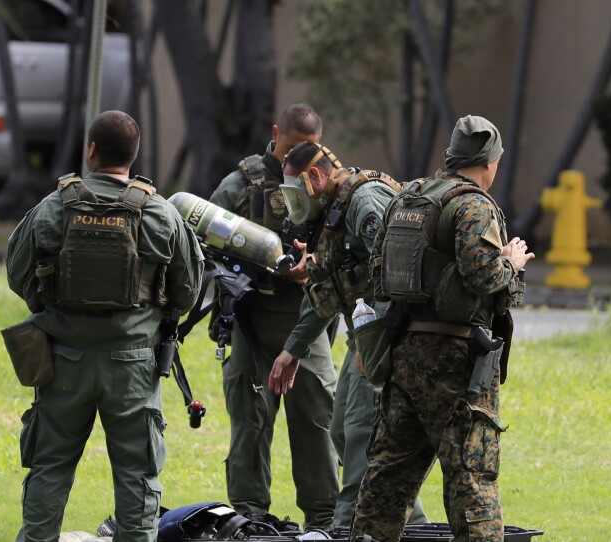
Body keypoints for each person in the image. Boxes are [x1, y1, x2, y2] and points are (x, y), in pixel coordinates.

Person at [6, 110, 204, 542]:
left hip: (62, 364)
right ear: (134, 155)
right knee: (137, 480)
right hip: (133, 366)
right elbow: (188, 291)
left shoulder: (52, 207)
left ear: (91, 151)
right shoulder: (161, 213)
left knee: (49, 470)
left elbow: (18, 273)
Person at [350, 115, 533, 541]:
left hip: (404, 355)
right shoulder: (473, 205)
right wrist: (512, 261)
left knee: (387, 477)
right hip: (457, 360)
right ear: (489, 162)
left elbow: (378, 273)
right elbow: (485, 277)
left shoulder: (406, 199)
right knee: (472, 478)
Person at [268, 141, 429, 528]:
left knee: (360, 434)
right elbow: (329, 289)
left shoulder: (364, 201)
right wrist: (294, 349)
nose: (292, 204)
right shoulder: (333, 212)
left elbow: (399, 273)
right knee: (344, 431)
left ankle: (346, 530)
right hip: (368, 336)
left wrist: (378, 340)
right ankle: (414, 525)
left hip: (385, 335)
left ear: (317, 177)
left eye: (293, 193)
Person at [209, 104, 339, 529]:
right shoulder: (243, 184)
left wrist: (314, 267)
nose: (295, 164)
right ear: (274, 134)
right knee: (249, 419)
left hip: (307, 319)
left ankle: (324, 519)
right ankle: (248, 518)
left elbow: (345, 244)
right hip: (253, 320)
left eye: (306, 152)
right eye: (288, 150)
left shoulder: (326, 182)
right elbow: (203, 240)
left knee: (318, 421)